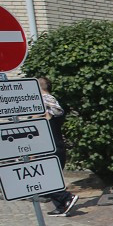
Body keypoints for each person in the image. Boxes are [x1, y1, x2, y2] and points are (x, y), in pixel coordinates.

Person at [38, 77, 79, 217]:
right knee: (51, 179)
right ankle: (62, 206)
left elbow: (52, 115)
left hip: (51, 147)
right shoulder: (52, 102)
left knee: (44, 179)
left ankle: (66, 198)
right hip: (55, 145)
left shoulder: (45, 102)